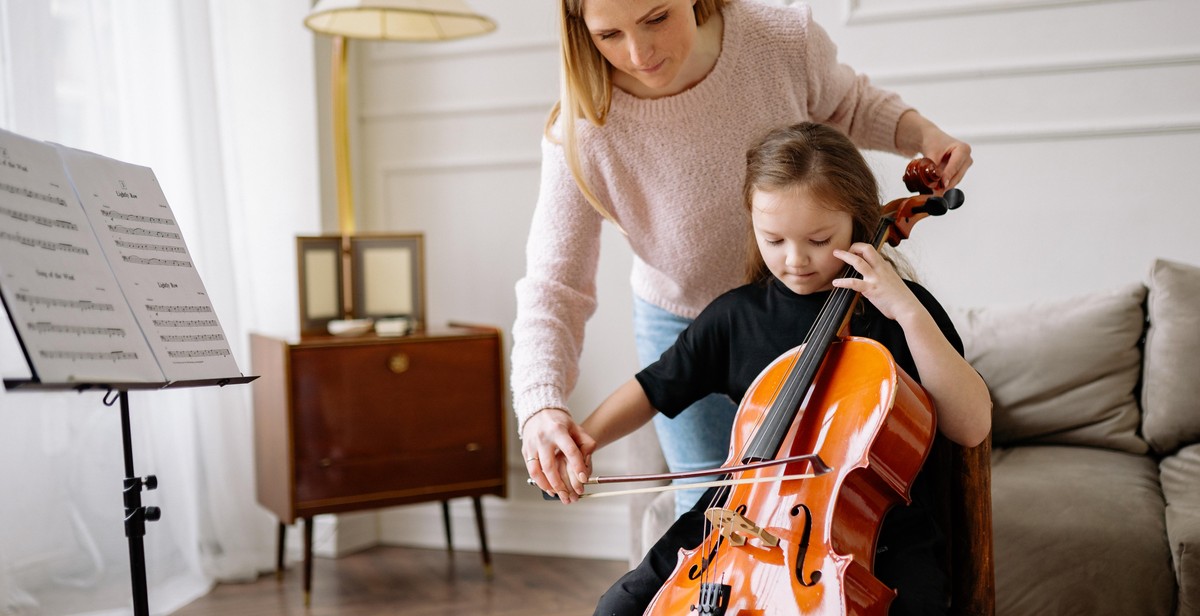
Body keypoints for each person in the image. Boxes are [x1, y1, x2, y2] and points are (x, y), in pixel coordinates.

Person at [514, 0, 975, 517]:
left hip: (807, 308)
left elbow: (852, 104)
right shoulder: (582, 129)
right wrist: (542, 405)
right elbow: (555, 286)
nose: (639, 53)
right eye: (608, 35)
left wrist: (925, 137)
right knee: (713, 516)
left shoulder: (777, 38)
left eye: (656, 18)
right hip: (683, 320)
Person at [571, 122, 991, 615]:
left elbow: (971, 425)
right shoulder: (736, 316)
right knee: (617, 608)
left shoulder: (900, 312)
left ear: (857, 220)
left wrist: (909, 314)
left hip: (876, 529)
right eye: (773, 239)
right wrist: (585, 438)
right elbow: (653, 388)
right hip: (739, 512)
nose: (795, 260)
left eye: (818, 239)